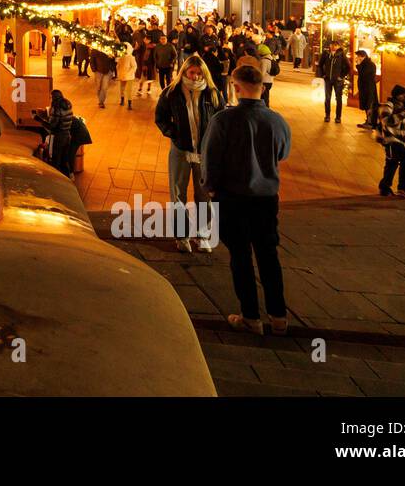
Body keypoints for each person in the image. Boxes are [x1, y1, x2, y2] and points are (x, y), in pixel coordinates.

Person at [200, 62, 291, 336]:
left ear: (235, 87)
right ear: (262, 88)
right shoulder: (277, 120)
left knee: (240, 256)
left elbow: (210, 159)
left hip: (233, 197)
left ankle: (250, 316)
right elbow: (283, 153)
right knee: (268, 255)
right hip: (265, 197)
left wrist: (211, 188)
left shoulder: (224, 120)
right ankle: (278, 316)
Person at [154, 55, 223, 253]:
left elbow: (221, 119)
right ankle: (182, 236)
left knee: (204, 195)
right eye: (191, 72)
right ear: (184, 71)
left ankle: (202, 234)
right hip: (180, 149)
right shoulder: (172, 93)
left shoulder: (213, 94)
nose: (195, 77)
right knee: (178, 193)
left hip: (204, 151)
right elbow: (160, 117)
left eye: (199, 73)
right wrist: (173, 133)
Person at [35, 90, 77, 177]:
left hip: (59, 137)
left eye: (50, 97)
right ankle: (68, 179)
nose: (50, 99)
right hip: (67, 135)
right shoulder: (67, 105)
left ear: (53, 97)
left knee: (56, 160)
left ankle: (56, 180)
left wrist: (38, 119)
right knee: (64, 159)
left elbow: (52, 126)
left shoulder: (56, 107)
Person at [318, 41, 349, 123]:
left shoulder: (341, 55)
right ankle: (327, 115)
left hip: (338, 81)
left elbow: (348, 67)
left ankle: (338, 117)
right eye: (332, 45)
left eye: (335, 45)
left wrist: (341, 76)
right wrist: (323, 75)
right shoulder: (326, 54)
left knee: (338, 98)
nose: (333, 47)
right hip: (328, 79)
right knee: (327, 98)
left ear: (338, 46)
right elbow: (320, 65)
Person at [116, 43, 137, 109]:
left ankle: (129, 104)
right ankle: (122, 100)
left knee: (129, 90)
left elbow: (134, 66)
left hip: (129, 76)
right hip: (122, 75)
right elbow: (118, 66)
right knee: (122, 89)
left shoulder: (131, 57)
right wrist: (119, 72)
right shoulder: (120, 56)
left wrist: (129, 73)